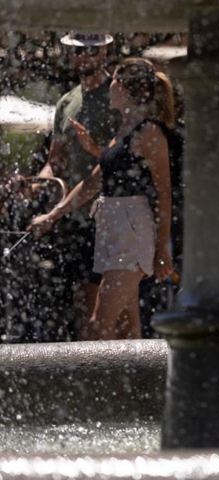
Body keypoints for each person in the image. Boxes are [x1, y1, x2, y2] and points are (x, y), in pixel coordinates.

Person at [29, 58, 175, 340]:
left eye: (113, 81)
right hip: (111, 228)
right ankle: (139, 384)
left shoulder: (149, 132)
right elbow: (93, 182)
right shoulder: (125, 128)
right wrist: (52, 215)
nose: (108, 86)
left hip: (131, 232)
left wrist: (162, 248)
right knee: (126, 327)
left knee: (98, 324)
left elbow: (163, 193)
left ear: (121, 86)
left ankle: (93, 384)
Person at [28, 32, 121, 340]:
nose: (85, 56)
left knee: (112, 304)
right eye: (78, 51)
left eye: (92, 50)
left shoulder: (118, 94)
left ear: (105, 51)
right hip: (76, 217)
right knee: (82, 300)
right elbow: (57, 162)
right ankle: (88, 372)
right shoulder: (66, 101)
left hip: (115, 211)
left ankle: (120, 373)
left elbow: (115, 158)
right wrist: (37, 182)